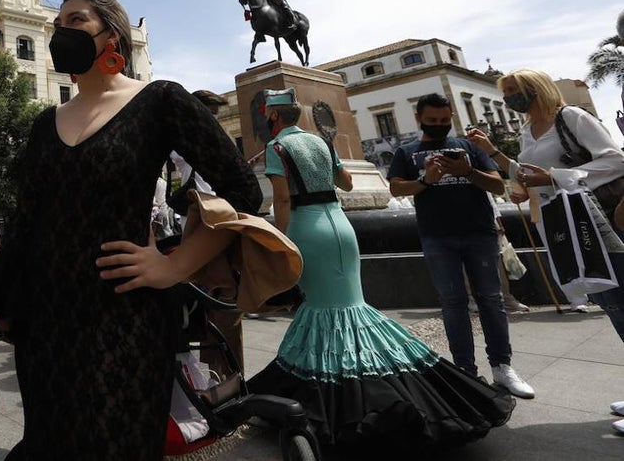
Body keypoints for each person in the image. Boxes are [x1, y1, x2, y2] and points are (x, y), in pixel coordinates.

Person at [0, 0, 264, 460]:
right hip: (45, 325)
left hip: (126, 318)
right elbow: (26, 226)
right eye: (57, 26)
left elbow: (243, 191)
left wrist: (177, 265)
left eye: (75, 21)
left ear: (110, 35)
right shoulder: (43, 124)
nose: (60, 34)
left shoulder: (159, 101)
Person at [247, 89, 515, 449]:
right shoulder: (321, 142)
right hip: (341, 227)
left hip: (307, 228)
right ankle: (394, 381)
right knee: (350, 308)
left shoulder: (276, 148)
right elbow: (347, 183)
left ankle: (340, 399)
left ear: (273, 118)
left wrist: (280, 241)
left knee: (324, 309)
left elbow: (281, 198)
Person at [469, 68, 624, 433]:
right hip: (565, 225)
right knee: (611, 303)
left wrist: (552, 177)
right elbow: (527, 173)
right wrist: (495, 156)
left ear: (534, 89)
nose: (509, 98)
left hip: (597, 219)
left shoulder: (570, 118)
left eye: (514, 91)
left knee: (621, 300)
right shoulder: (526, 130)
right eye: (506, 93)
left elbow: (615, 160)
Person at [387, 93, 535, 398]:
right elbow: (397, 187)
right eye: (433, 121)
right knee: (453, 304)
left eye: (444, 120)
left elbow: (498, 185)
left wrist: (467, 171)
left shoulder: (469, 147)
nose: (440, 125)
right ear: (420, 118)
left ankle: (502, 367)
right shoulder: (407, 151)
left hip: (479, 233)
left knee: (491, 300)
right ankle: (465, 371)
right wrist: (427, 180)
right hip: (437, 236)